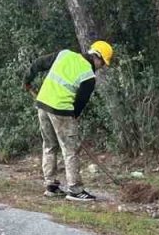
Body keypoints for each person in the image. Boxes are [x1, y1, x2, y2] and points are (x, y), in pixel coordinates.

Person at [22, 40, 114, 202]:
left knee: (49, 145)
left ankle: (51, 186)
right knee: (70, 149)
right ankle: (75, 190)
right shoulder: (89, 76)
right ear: (97, 58)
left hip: (42, 104)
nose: (102, 67)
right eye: (103, 63)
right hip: (61, 110)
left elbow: (38, 63)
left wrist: (27, 80)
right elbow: (80, 102)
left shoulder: (64, 54)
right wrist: (74, 116)